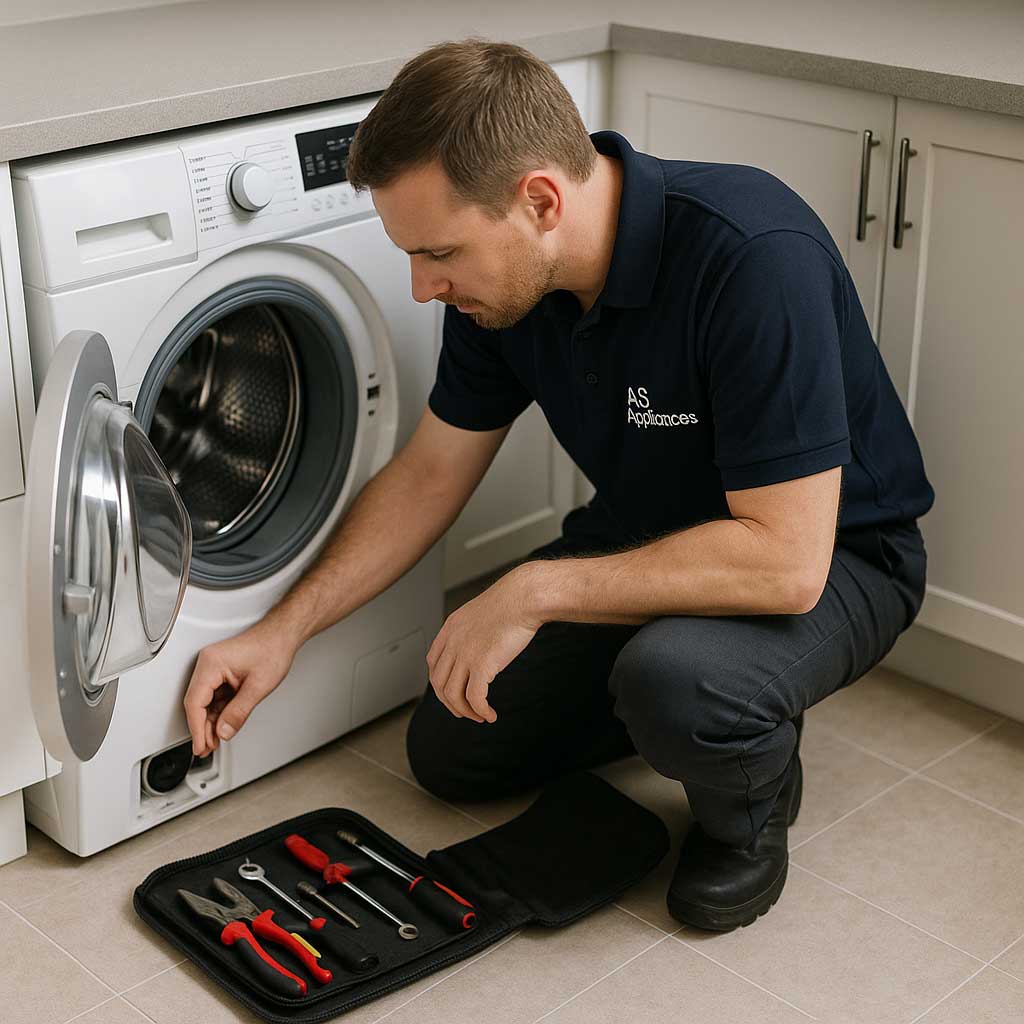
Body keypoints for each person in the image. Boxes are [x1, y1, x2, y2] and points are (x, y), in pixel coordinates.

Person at [183, 38, 933, 932]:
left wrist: (536, 590)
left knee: (680, 684)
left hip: (838, 554)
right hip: (647, 534)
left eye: (439, 252)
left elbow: (788, 564)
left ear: (540, 199)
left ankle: (747, 787)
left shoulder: (750, 254)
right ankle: (693, 691)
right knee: (453, 750)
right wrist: (281, 631)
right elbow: (427, 476)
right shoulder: (497, 293)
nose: (423, 287)